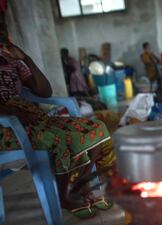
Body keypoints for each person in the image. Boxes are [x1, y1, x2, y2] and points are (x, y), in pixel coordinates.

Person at [0, 21, 115, 219]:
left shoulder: (11, 61)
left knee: (96, 128)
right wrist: (13, 111)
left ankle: (80, 185)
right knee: (62, 139)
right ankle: (65, 197)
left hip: (31, 117)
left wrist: (26, 59)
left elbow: (44, 92)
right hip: (6, 125)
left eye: (3, 31)